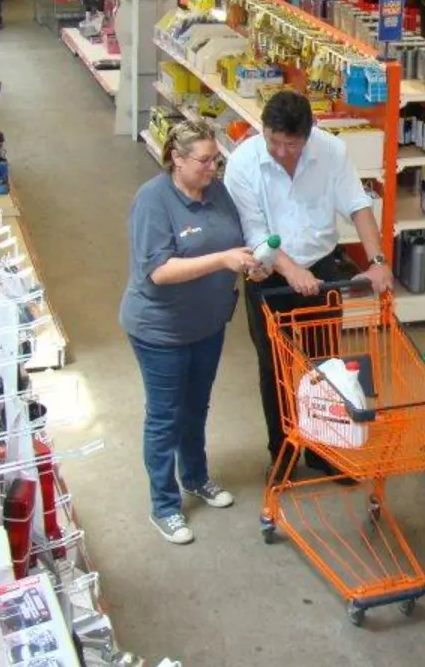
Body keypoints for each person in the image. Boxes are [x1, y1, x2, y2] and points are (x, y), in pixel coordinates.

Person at [224, 90, 393, 477]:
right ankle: (282, 453)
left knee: (326, 365)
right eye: (274, 141)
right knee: (276, 369)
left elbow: (357, 206)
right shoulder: (243, 163)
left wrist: (378, 261)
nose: (281, 151)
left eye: (291, 144)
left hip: (322, 269)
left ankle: (324, 449)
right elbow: (254, 231)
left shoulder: (331, 151)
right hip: (268, 276)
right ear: (262, 130)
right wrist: (290, 269)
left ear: (309, 133)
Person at [119, 120, 260, 545]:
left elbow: (235, 241)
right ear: (176, 160)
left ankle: (195, 476)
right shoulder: (153, 201)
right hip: (160, 330)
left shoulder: (217, 192)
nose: (213, 168)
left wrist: (253, 260)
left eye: (216, 158)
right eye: (204, 160)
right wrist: (222, 261)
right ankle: (163, 506)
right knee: (165, 417)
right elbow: (159, 271)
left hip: (207, 325)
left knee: (196, 406)